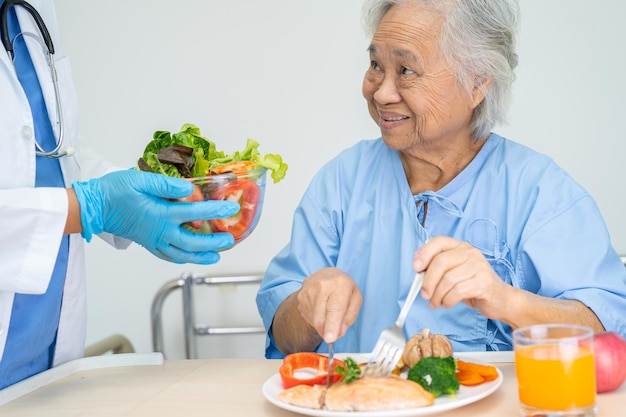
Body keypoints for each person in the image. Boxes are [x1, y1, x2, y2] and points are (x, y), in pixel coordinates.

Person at [256, 0, 626, 359]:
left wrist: (507, 300)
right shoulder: (341, 181)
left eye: (406, 71)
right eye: (374, 65)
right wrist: (307, 306)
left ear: (477, 83)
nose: (381, 92)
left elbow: (607, 331)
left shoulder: (541, 192)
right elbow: (286, 336)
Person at [0, 0, 239, 388]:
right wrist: (92, 206)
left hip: (45, 360)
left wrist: (133, 188)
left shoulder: (33, 10)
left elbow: (52, 150)